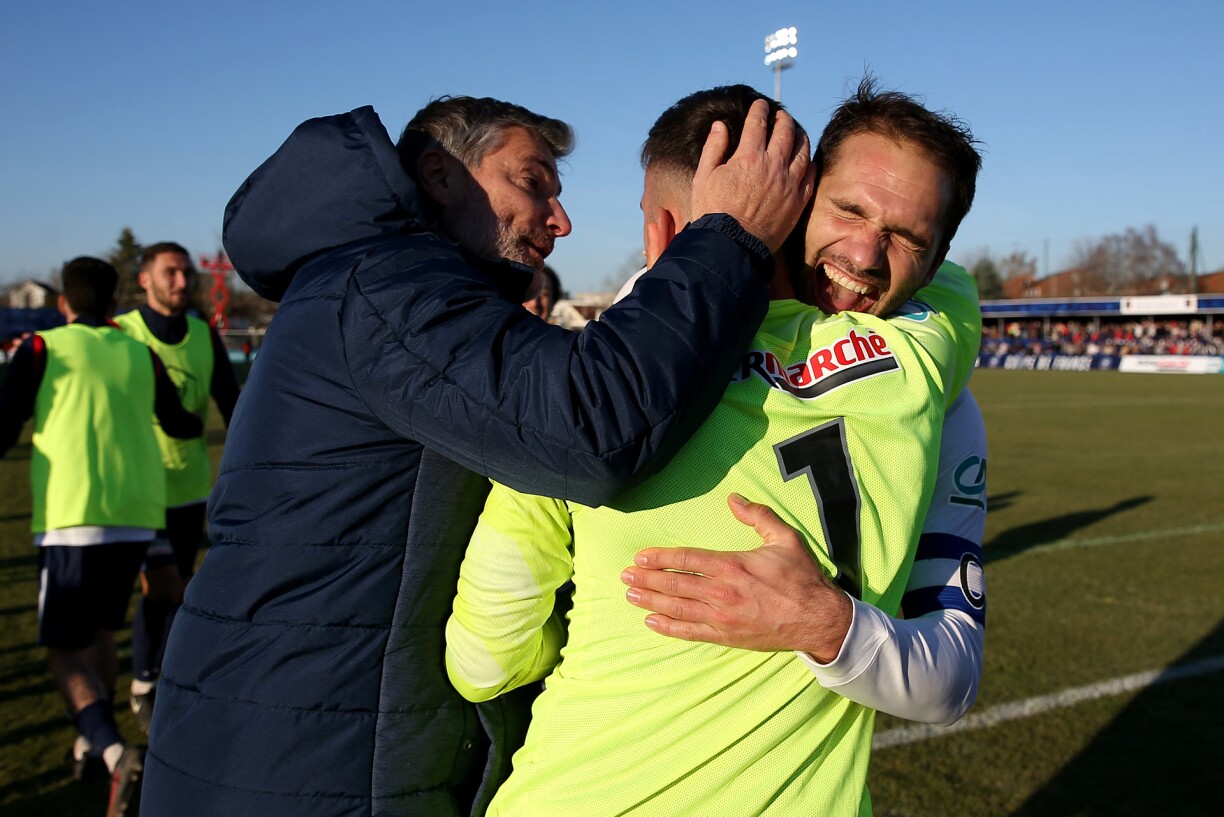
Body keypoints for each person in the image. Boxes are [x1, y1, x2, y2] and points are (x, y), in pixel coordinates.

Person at [142, 95, 814, 817]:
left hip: (307, 732)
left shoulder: (384, 283)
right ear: (439, 174)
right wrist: (729, 237)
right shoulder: (388, 286)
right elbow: (589, 423)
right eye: (532, 183)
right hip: (296, 753)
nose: (560, 220)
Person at [445, 81, 983, 815]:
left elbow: (484, 659)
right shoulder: (933, 353)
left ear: (663, 230)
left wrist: (822, 623)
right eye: (850, 210)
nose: (864, 251)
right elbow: (954, 288)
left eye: (906, 237)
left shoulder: (579, 393)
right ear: (797, 201)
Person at [0, 257, 203, 817]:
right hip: (138, 515)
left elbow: (5, 423)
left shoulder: (41, 348)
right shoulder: (139, 352)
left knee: (64, 653)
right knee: (99, 634)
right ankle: (90, 743)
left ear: (63, 303)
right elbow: (181, 423)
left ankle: (115, 754)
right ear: (115, 303)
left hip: (73, 516)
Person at [112, 241, 241, 733]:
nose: (182, 281)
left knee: (175, 588)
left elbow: (231, 403)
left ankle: (158, 677)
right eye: (171, 272)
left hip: (189, 488)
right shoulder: (122, 333)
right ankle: (144, 683)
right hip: (138, 490)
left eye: (186, 272)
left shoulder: (202, 334)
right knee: (164, 587)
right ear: (144, 279)